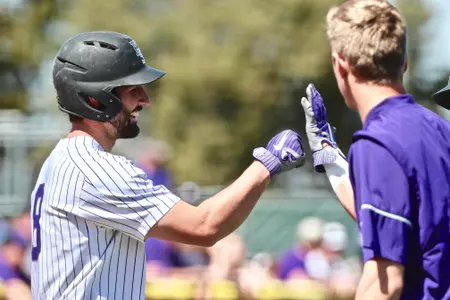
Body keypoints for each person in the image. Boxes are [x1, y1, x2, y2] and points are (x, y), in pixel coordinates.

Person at [30, 31, 306, 300]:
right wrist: (268, 164)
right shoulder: (95, 170)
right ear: (95, 98)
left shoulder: (58, 162)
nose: (144, 99)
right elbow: (204, 227)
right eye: (132, 89)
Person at [300, 0, 450, 299]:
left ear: (339, 64)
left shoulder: (377, 142)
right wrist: (330, 158)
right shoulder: (439, 129)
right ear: (404, 62)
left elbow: (385, 282)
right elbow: (405, 228)